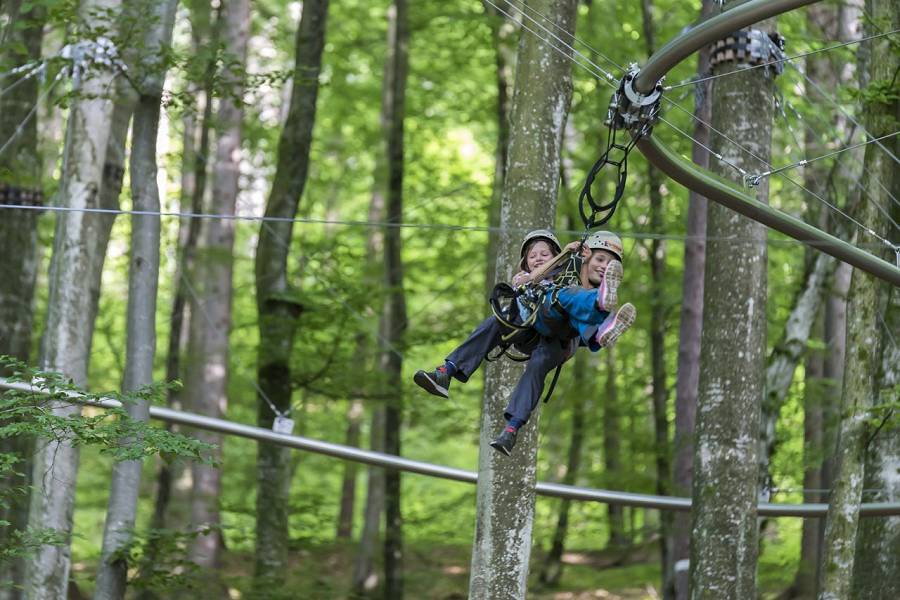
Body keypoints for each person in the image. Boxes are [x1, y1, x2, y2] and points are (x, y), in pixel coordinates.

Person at [414, 230, 636, 456]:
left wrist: (582, 261)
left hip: (559, 341)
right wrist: (565, 255)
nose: (538, 258)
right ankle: (446, 371)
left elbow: (580, 286)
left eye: (545, 254)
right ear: (525, 262)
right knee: (496, 322)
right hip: (530, 327)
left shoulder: (567, 278)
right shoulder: (524, 278)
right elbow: (531, 278)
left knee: (541, 360)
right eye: (533, 256)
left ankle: (511, 429)